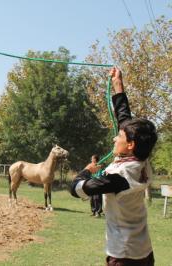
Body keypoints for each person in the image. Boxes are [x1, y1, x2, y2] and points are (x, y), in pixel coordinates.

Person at [70, 66, 157, 266]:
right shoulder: (141, 159)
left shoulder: (118, 177)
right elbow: (125, 120)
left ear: (130, 145)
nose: (114, 138)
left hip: (124, 257)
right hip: (144, 252)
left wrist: (86, 171)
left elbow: (76, 190)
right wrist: (118, 84)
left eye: (119, 136)